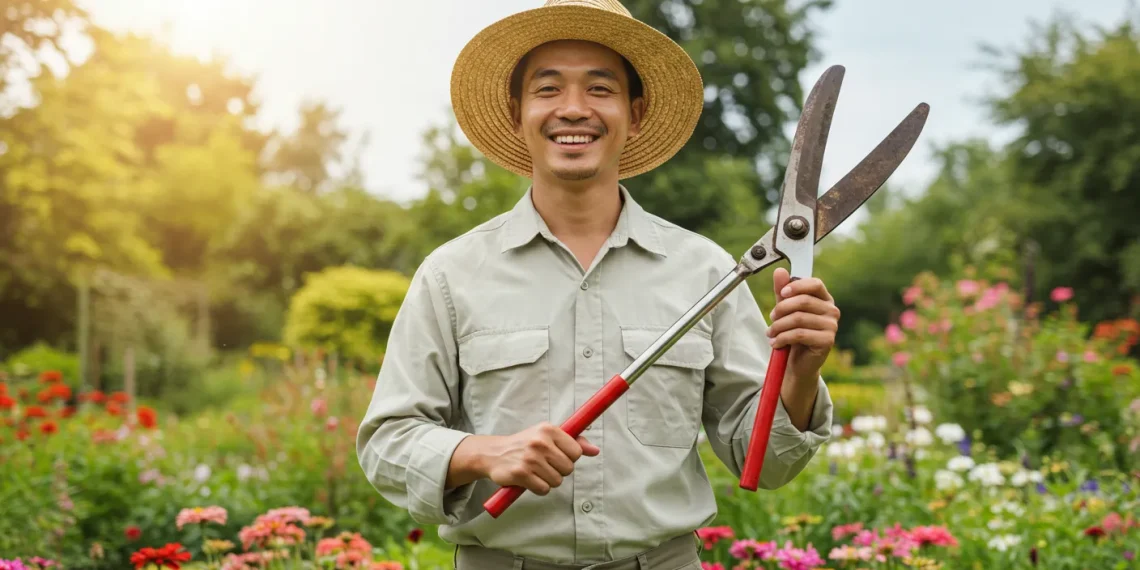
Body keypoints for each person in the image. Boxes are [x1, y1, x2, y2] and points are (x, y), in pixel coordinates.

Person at [356, 1, 838, 567]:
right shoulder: (450, 275)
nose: (574, 109)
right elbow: (387, 443)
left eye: (601, 89)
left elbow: (767, 461)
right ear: (518, 112)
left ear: (634, 113)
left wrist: (801, 375)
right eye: (549, 88)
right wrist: (483, 452)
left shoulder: (705, 271)